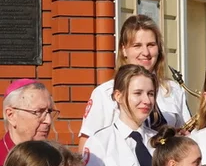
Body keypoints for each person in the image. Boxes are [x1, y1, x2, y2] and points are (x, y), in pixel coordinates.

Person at [79, 14, 190, 144]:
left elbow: (188, 134)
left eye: (151, 45)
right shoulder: (104, 93)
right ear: (124, 50)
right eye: (137, 45)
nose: (146, 52)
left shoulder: (174, 90)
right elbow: (86, 144)